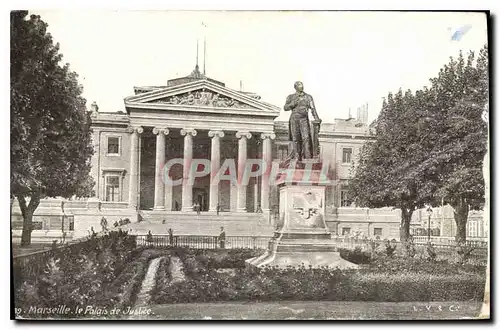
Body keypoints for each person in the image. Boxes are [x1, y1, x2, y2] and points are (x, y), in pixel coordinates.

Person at [283, 81, 321, 161]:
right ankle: (297, 157)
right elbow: (285, 108)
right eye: (299, 85)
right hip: (294, 119)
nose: (301, 86)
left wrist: (316, 118)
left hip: (304, 119)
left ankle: (307, 157)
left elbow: (313, 109)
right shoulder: (291, 97)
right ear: (295, 87)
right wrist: (292, 104)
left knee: (306, 137)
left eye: (302, 85)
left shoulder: (308, 97)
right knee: (295, 138)